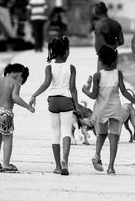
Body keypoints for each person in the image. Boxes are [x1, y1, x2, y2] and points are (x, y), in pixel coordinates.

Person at [82, 45, 135, 175]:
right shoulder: (118, 74)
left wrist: (85, 90)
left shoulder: (97, 75)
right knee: (114, 137)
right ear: (114, 60)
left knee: (102, 135)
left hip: (101, 110)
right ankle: (110, 167)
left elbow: (93, 95)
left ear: (100, 61)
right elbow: (125, 92)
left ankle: (97, 155)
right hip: (115, 110)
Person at [29, 36, 80, 175]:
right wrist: (77, 105)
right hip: (66, 101)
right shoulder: (71, 67)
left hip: (53, 101)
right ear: (66, 52)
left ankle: (57, 166)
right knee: (66, 131)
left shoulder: (49, 67)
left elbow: (46, 84)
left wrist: (34, 95)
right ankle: (65, 162)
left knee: (55, 132)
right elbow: (73, 88)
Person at [0, 63, 35, 171]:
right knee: (7, 139)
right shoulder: (15, 83)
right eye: (22, 79)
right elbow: (15, 98)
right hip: (5, 113)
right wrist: (27, 107)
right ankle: (6, 164)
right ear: (19, 74)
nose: (21, 82)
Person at [93, 1, 124, 69]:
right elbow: (121, 41)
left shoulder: (99, 25)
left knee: (102, 78)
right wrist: (114, 46)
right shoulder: (116, 24)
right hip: (113, 55)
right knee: (112, 77)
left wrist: (108, 47)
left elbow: (100, 44)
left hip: (103, 56)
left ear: (96, 12)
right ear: (106, 10)